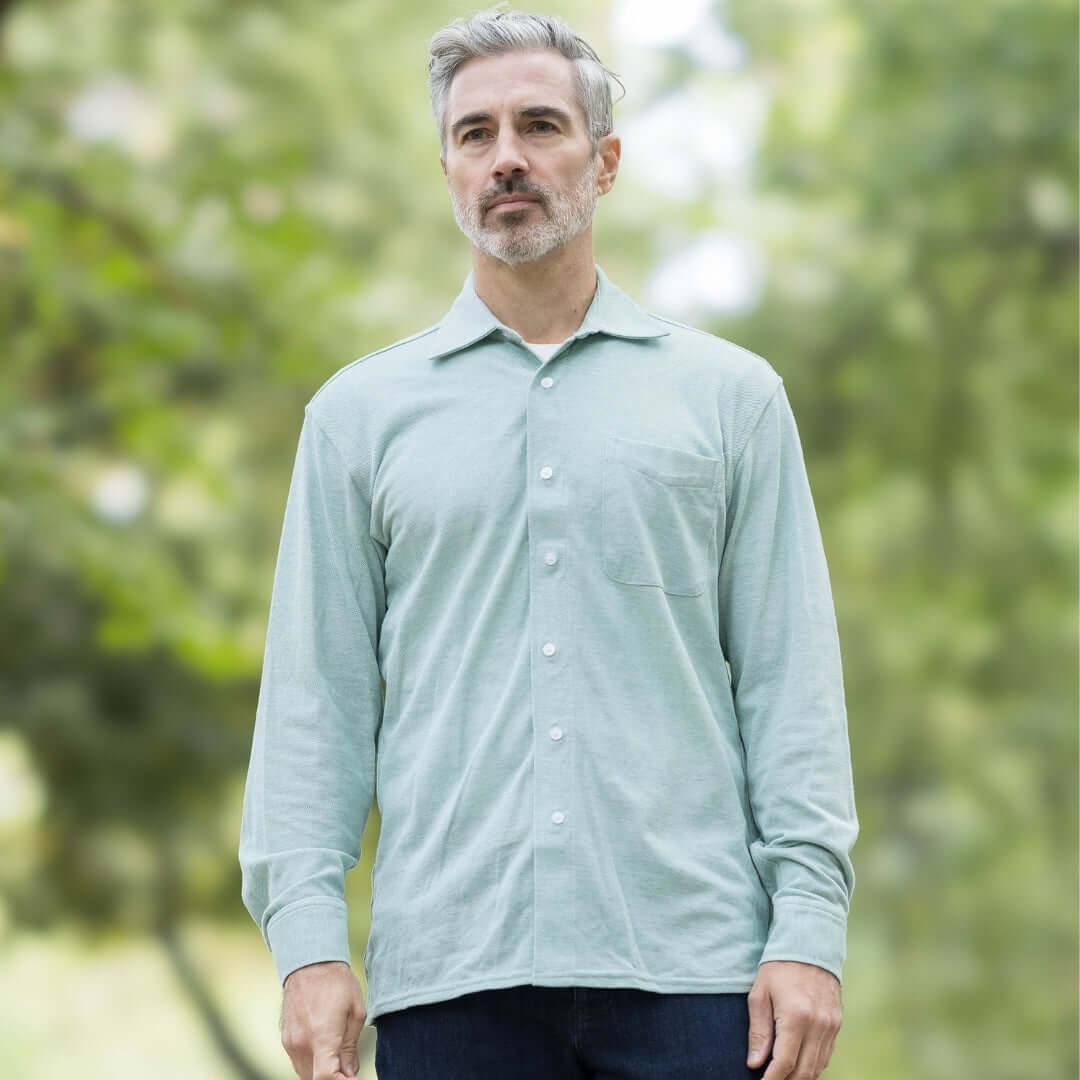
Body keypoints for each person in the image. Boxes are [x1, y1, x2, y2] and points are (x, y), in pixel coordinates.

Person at [238, 8, 859, 1080]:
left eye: (540, 125)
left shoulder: (732, 402)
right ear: (446, 169)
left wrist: (808, 928)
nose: (506, 158)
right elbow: (314, 706)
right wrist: (308, 945)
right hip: (451, 976)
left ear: (604, 161)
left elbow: (788, 685)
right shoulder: (356, 418)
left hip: (696, 977)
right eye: (474, 134)